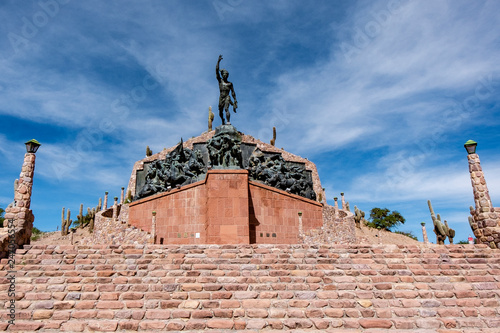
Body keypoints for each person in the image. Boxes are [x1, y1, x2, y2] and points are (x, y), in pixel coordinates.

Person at [216, 55, 238, 125]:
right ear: (222, 75)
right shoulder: (220, 81)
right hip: (221, 97)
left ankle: (228, 122)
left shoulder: (230, 84)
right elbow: (216, 71)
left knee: (226, 109)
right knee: (220, 112)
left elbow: (233, 92)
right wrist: (218, 62)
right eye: (224, 74)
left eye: (226, 75)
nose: (225, 76)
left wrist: (235, 100)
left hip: (227, 97)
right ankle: (223, 120)